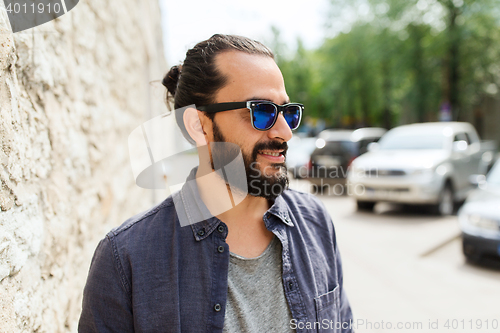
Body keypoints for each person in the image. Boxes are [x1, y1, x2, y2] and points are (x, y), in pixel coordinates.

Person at [79, 34, 353, 333]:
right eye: (261, 111)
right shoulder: (125, 258)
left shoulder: (315, 223)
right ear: (198, 125)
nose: (285, 132)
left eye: (288, 112)